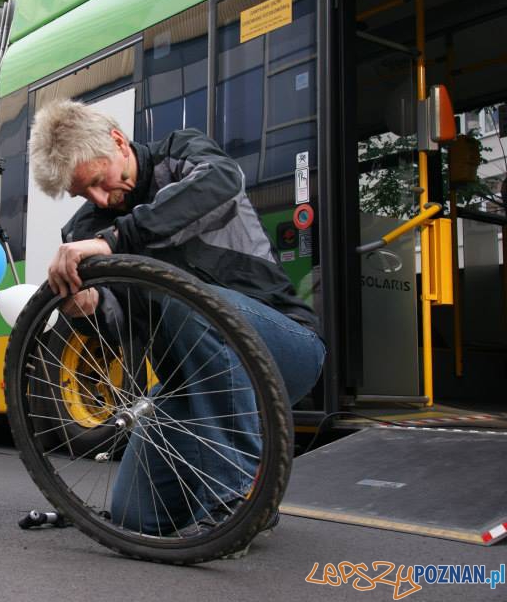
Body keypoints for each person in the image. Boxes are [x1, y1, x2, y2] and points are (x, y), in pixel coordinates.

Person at [29, 100, 326, 544]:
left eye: (96, 181)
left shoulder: (184, 155)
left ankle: (243, 498)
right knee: (133, 518)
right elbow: (122, 329)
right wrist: (91, 308)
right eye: (81, 194)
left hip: (282, 348)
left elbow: (223, 181)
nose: (98, 199)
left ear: (116, 141)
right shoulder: (83, 229)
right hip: (187, 383)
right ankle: (215, 489)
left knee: (187, 298)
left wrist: (117, 240)